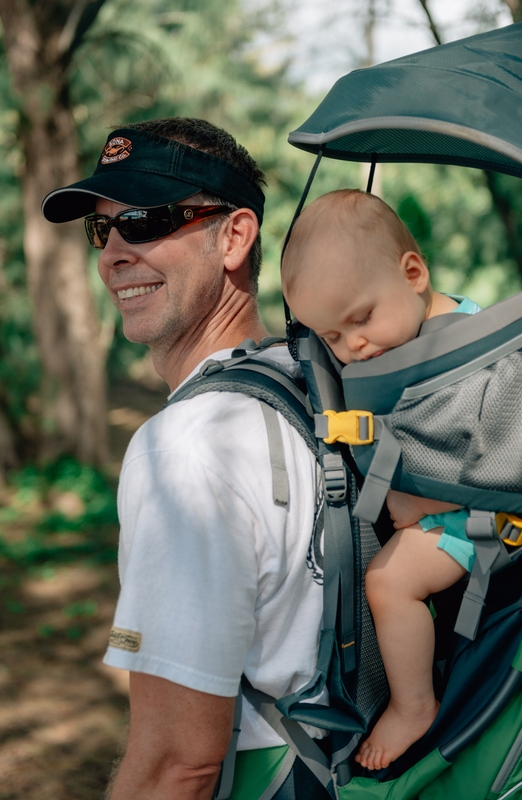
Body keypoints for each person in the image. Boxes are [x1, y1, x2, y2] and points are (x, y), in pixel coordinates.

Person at [42, 118, 330, 800]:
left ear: (234, 237)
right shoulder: (315, 382)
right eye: (101, 229)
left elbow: (178, 764)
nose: (113, 252)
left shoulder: (189, 446)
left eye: (145, 220)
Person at [281, 188, 482, 772]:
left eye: (361, 320)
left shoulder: (457, 355)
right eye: (334, 339)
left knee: (387, 583)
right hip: (464, 508)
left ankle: (412, 705)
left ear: (413, 272)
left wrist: (411, 502)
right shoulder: (439, 330)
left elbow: (474, 458)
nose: (355, 348)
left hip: (482, 517)